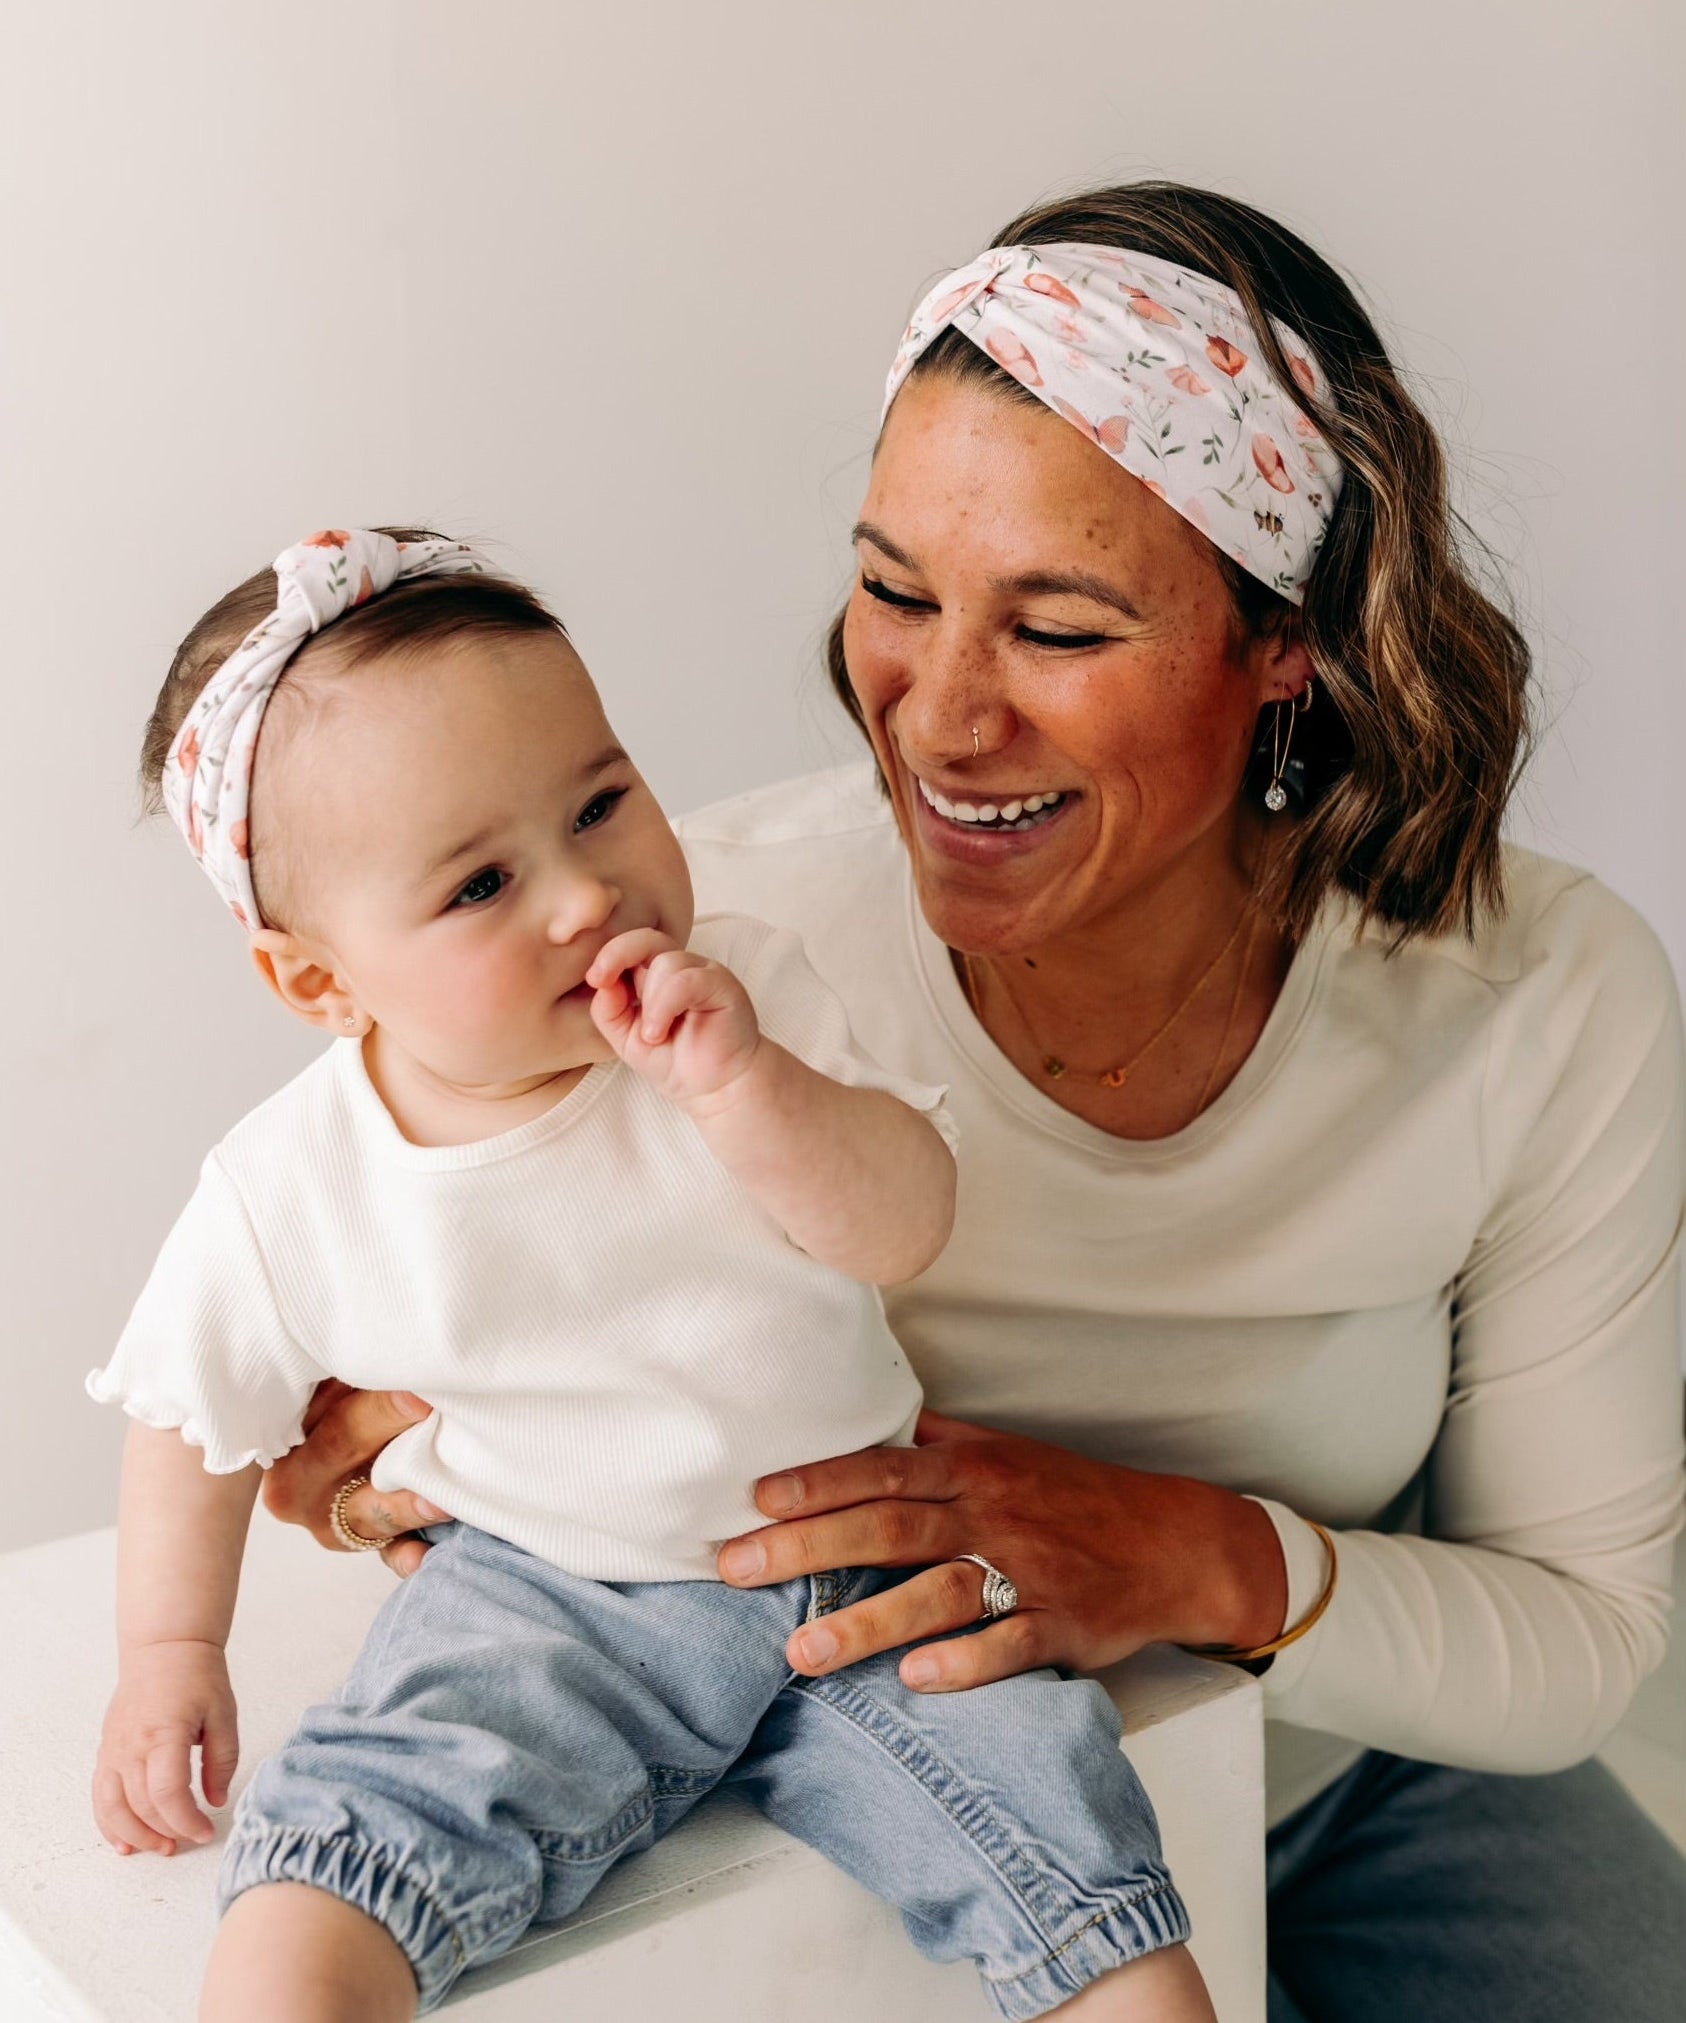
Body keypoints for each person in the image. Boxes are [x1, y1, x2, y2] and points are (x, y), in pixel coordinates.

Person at [271, 184, 1686, 2020]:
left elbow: (1580, 1641)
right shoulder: (689, 957)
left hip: (1344, 1789)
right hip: (858, 1835)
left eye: (1062, 631)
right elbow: (353, 1293)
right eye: (892, 591)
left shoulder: (1536, 997)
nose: (937, 719)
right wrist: (381, 1438)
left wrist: (1187, 1552)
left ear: (1291, 648)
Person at [87, 527, 1219, 2022]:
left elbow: (897, 1227)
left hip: (862, 1560)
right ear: (319, 979)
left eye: (601, 803)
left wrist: (746, 1088)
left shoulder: (750, 994)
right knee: (354, 1841)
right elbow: (189, 1410)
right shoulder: (295, 1178)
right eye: (482, 883)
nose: (583, 896)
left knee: (1071, 1858)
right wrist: (171, 1650)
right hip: (554, 1588)